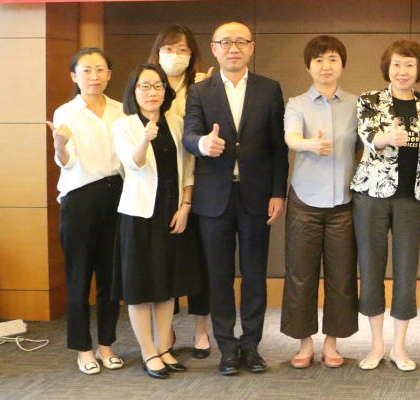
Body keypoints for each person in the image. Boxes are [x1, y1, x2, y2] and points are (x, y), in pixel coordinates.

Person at [183, 21, 289, 376]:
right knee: (220, 276)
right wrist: (203, 144)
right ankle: (227, 348)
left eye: (241, 42)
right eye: (225, 42)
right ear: (214, 49)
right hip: (214, 198)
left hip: (257, 195)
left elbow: (278, 148)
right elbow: (189, 135)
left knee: (255, 275)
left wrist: (278, 192)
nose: (233, 48)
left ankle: (252, 346)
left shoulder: (269, 89)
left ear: (251, 48)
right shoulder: (200, 91)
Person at [351, 39, 420, 372]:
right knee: (371, 269)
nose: (402, 71)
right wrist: (386, 138)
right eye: (396, 64)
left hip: (411, 200)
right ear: (387, 68)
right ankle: (376, 345)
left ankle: (400, 347)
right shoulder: (369, 100)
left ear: (419, 69)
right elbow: (366, 136)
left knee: (406, 272)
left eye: (409, 65)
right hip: (370, 198)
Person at [112, 63, 203, 379]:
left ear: (166, 91)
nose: (152, 92)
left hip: (172, 212)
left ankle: (164, 348)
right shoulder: (124, 125)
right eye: (145, 86)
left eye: (158, 86)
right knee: (140, 287)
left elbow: (189, 168)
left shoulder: (177, 122)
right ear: (133, 92)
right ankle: (148, 351)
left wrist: (186, 206)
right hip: (139, 215)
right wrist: (145, 138)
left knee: (166, 286)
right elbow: (132, 163)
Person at [281, 36, 360, 369]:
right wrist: (309, 145)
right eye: (318, 60)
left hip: (344, 203)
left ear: (342, 64)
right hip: (305, 201)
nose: (325, 66)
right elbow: (290, 137)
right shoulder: (296, 104)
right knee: (301, 275)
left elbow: (366, 145)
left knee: (341, 277)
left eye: (332, 59)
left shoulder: (357, 104)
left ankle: (331, 343)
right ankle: (304, 344)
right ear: (308, 66)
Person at [48, 48, 126, 375]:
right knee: (79, 277)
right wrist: (59, 146)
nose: (94, 76)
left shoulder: (122, 110)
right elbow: (67, 162)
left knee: (111, 277)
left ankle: (106, 344)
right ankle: (83, 349)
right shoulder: (66, 113)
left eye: (100, 69)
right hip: (80, 199)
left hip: (117, 196)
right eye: (86, 70)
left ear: (109, 74)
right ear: (74, 76)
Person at [146, 24, 213, 359]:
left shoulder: (202, 86)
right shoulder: (149, 86)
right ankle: (166, 329)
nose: (175, 56)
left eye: (183, 50)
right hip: (161, 186)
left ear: (193, 54)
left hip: (202, 182)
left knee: (202, 258)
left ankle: (201, 329)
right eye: (168, 49)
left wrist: (208, 90)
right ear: (158, 53)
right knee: (164, 260)